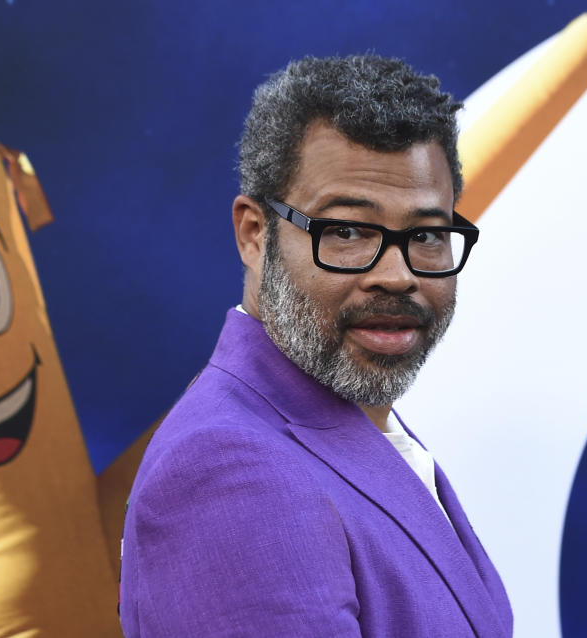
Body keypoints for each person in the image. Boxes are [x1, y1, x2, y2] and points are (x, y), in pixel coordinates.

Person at [119, 54, 513, 637]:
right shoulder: (230, 473)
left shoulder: (352, 423)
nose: (398, 275)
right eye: (348, 231)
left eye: (427, 234)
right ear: (255, 234)